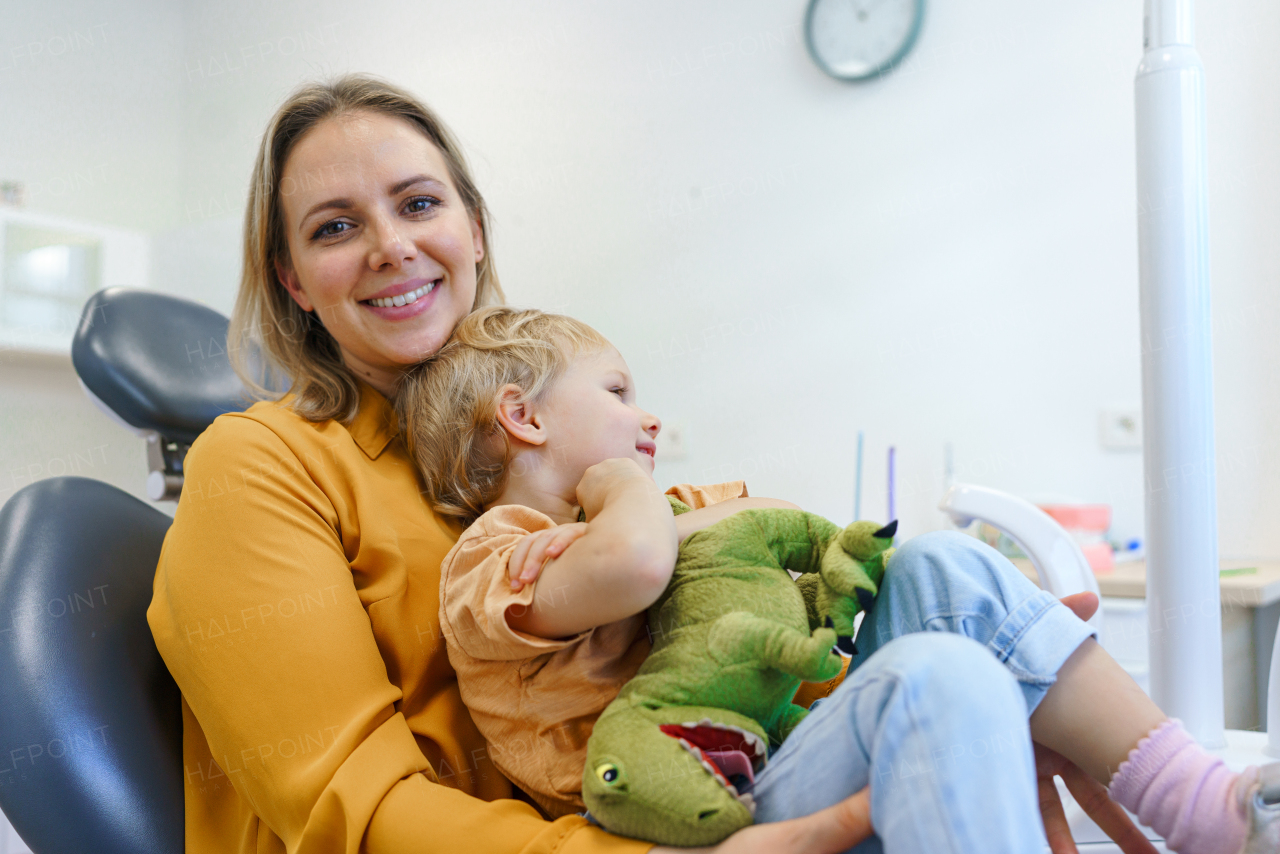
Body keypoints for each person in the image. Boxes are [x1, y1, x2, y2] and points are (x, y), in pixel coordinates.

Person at [144, 73, 1217, 854]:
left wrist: (1013, 693)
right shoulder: (265, 462)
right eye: (336, 227)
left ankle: (1209, 810)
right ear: (290, 277)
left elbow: (733, 553)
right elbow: (351, 808)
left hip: (701, 769)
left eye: (419, 203)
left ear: (472, 225)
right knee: (935, 678)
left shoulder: (527, 436)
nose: (389, 244)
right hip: (620, 824)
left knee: (941, 592)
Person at [397, 305, 1280, 854]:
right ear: (522, 416)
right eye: (619, 391)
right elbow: (634, 564)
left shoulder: (642, 517)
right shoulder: (497, 556)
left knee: (937, 566)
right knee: (935, 678)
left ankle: (1197, 805)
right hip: (700, 814)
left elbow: (796, 533)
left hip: (784, 755)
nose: (648, 414)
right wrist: (626, 488)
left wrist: (1017, 639)